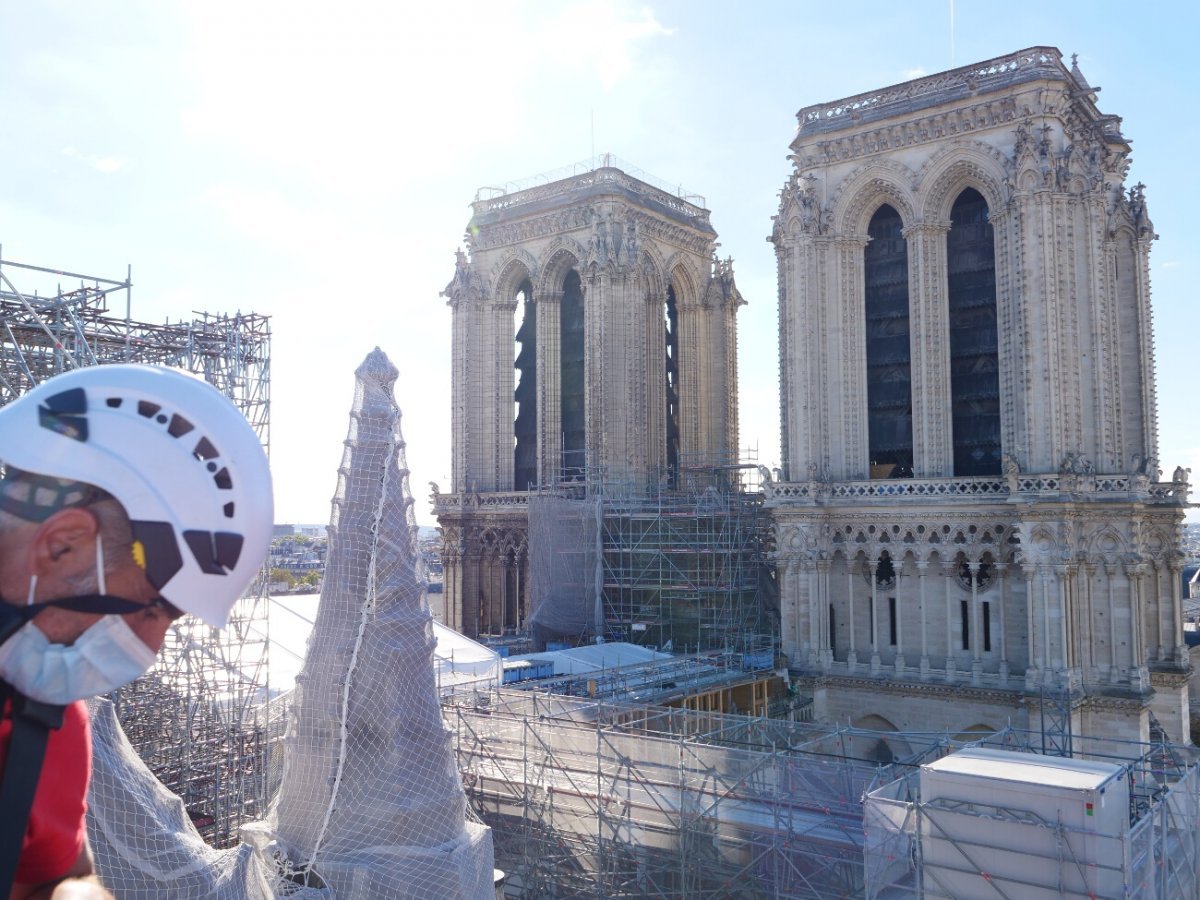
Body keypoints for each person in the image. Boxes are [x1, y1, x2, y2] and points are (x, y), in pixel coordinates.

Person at [0, 365, 273, 899]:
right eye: (155, 609)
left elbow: (53, 880)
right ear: (63, 545)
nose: (152, 648)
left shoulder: (48, 723)